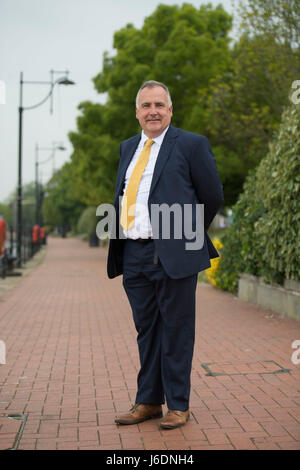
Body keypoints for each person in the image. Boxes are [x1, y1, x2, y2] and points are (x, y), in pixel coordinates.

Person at [107, 80, 223, 429]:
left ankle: (178, 405)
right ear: (137, 113)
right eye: (146, 105)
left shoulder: (190, 144)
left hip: (174, 252)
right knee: (146, 330)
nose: (153, 111)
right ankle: (148, 401)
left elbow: (212, 195)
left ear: (170, 110)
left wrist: (183, 235)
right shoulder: (128, 148)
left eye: (160, 104)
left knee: (177, 329)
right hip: (134, 253)